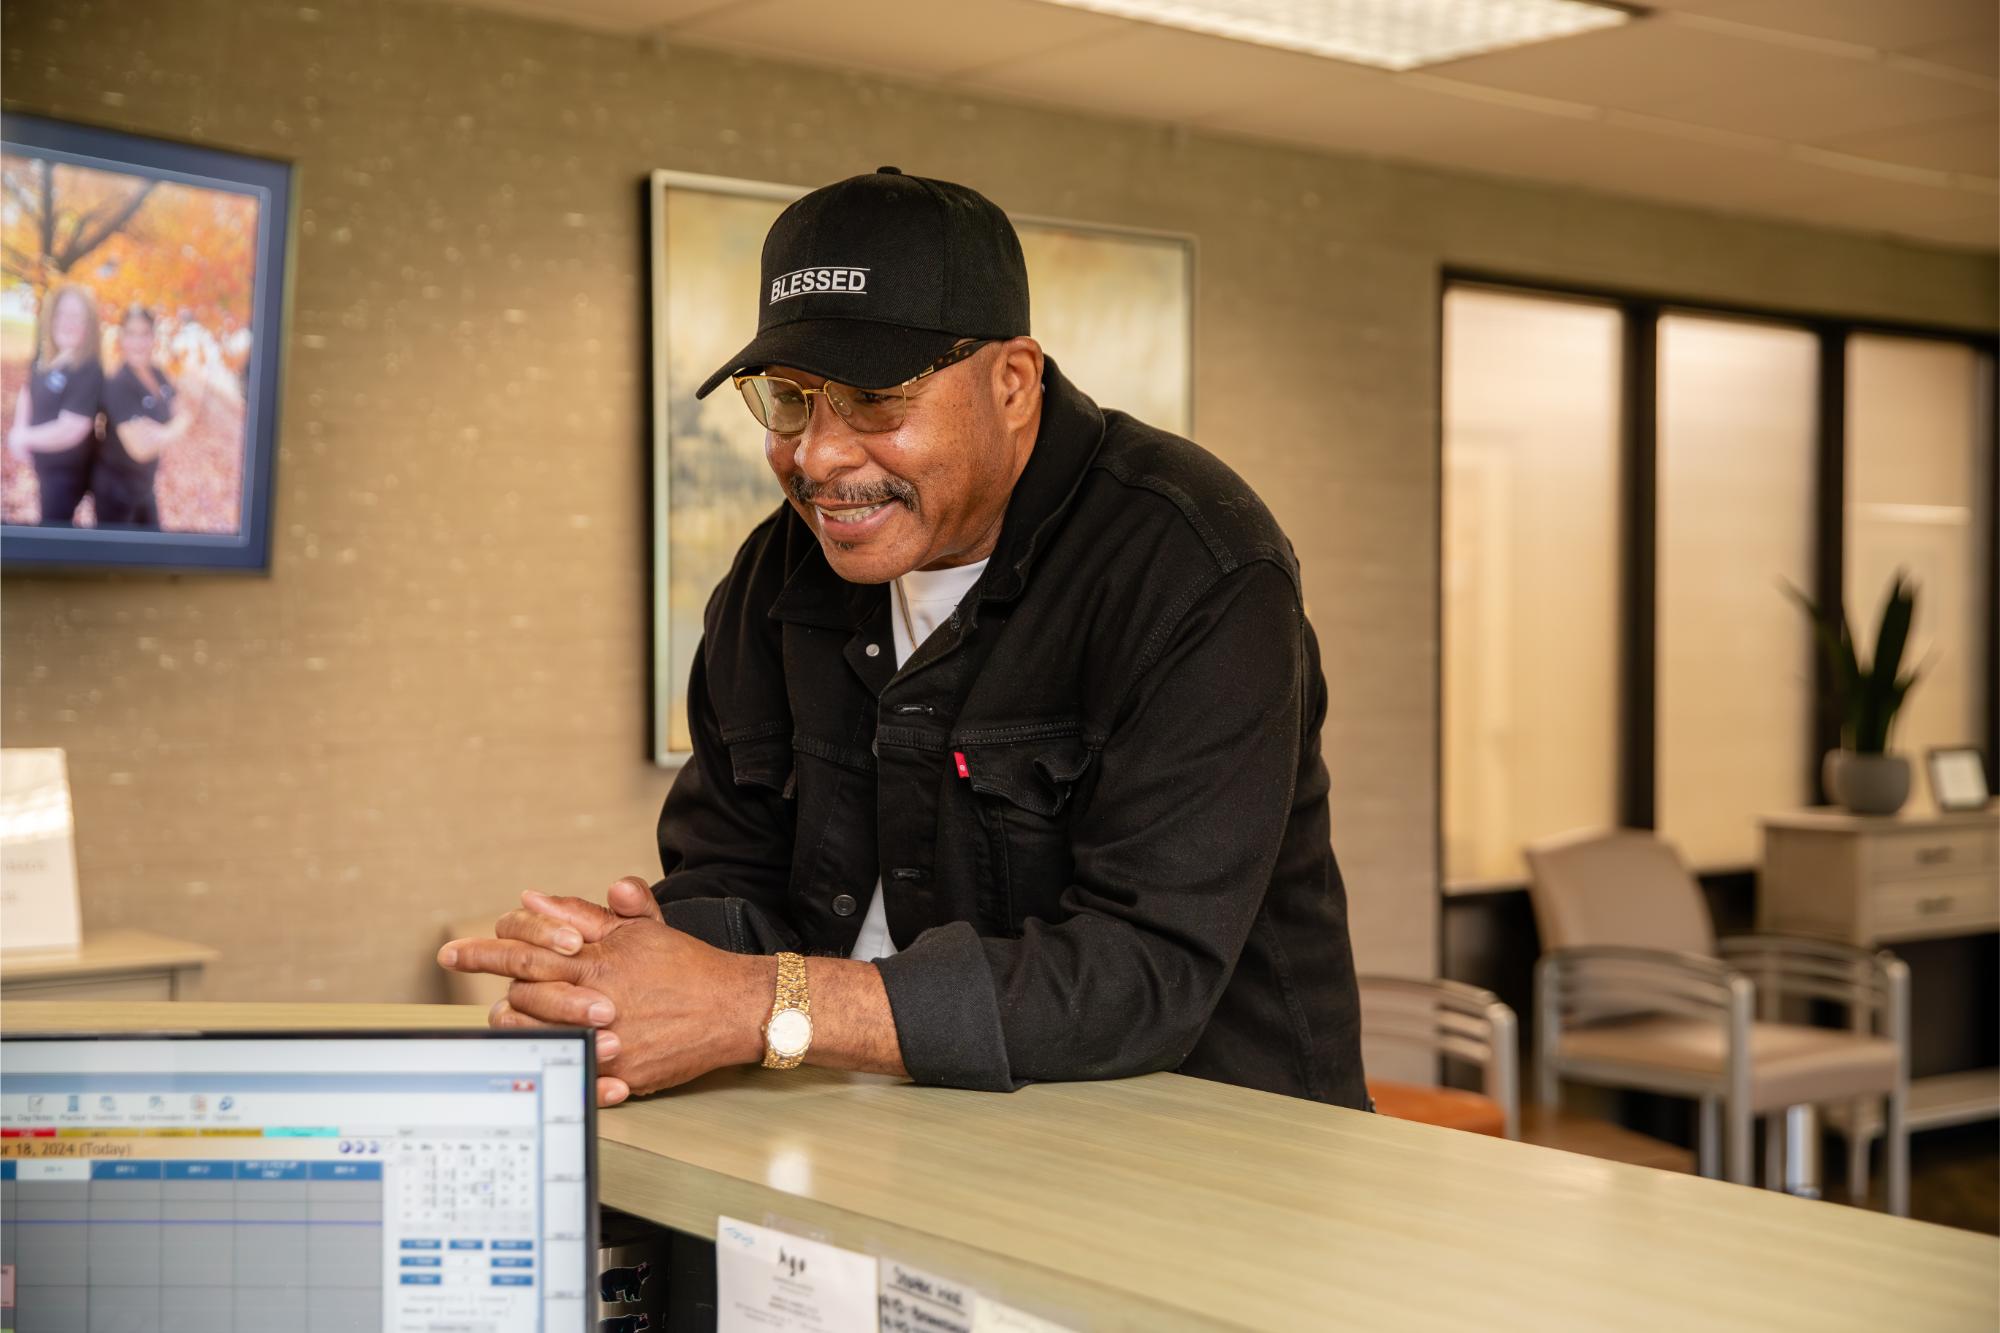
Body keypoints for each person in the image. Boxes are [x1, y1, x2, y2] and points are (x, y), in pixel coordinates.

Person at [440, 168, 1369, 1113]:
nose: (817, 456)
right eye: (791, 400)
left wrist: (762, 1004)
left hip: (1213, 1165)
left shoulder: (1195, 565)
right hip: (907, 1152)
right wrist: (619, 968)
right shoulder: (776, 579)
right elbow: (736, 873)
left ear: (1012, 383)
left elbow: (1143, 974)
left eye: (874, 399)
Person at [93, 305, 202, 530]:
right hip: (116, 494)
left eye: (144, 334)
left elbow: (181, 407)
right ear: (121, 338)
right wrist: (179, 425)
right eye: (131, 334)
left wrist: (162, 431)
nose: (138, 342)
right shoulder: (117, 383)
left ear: (153, 337)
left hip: (144, 487)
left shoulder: (157, 373)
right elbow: (140, 448)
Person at [8, 285, 103, 526]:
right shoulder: (47, 355)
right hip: (45, 466)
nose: (66, 322)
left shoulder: (88, 369)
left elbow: (72, 428)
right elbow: (28, 390)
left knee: (53, 534)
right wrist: (19, 429)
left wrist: (25, 437)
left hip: (66, 474)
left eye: (75, 316)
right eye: (61, 314)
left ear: (89, 325)